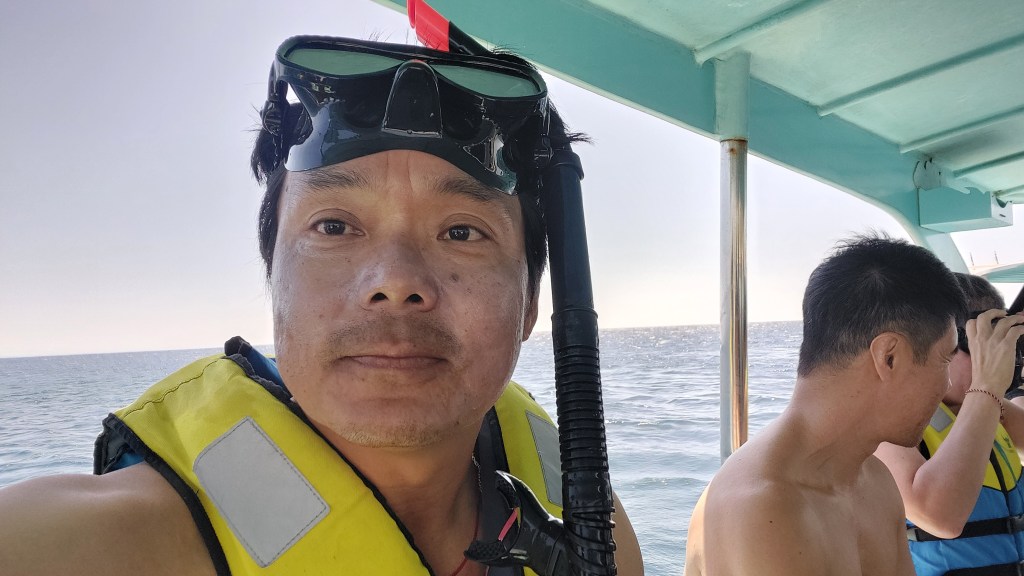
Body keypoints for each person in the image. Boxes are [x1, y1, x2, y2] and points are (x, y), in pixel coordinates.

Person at [0, 26, 643, 576]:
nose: (396, 280)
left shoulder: (593, 531)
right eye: (334, 226)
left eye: (461, 232)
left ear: (530, 304)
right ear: (273, 278)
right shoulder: (91, 545)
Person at [684, 236, 967, 576]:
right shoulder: (762, 508)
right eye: (944, 359)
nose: (946, 384)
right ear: (888, 357)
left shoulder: (875, 481)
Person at [874, 272, 1024, 576]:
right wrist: (986, 387)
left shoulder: (993, 408)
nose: (998, 358)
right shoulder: (890, 426)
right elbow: (939, 518)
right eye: (982, 348)